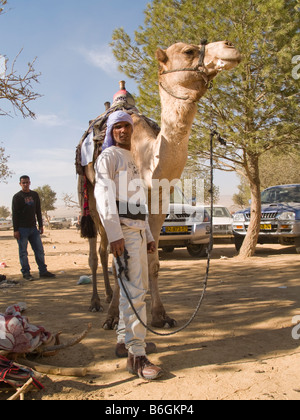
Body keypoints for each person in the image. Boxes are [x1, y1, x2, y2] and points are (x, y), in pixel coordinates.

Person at [94, 111, 163, 381]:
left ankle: (124, 341)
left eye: (126, 126)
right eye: (117, 126)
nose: (123, 130)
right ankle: (137, 356)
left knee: (131, 290)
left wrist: (147, 234)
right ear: (111, 131)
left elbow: (138, 202)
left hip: (135, 231)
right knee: (135, 293)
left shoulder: (131, 160)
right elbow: (104, 196)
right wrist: (114, 235)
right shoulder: (108, 158)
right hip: (122, 232)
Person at [12, 175, 56, 281]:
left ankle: (43, 271)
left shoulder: (34, 195)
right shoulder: (17, 197)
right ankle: (26, 273)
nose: (25, 184)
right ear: (20, 184)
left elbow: (38, 211)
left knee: (39, 250)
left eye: (27, 182)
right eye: (23, 183)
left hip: (33, 228)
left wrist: (41, 225)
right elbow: (15, 215)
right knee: (23, 252)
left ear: (30, 183)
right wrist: (16, 230)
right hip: (22, 229)